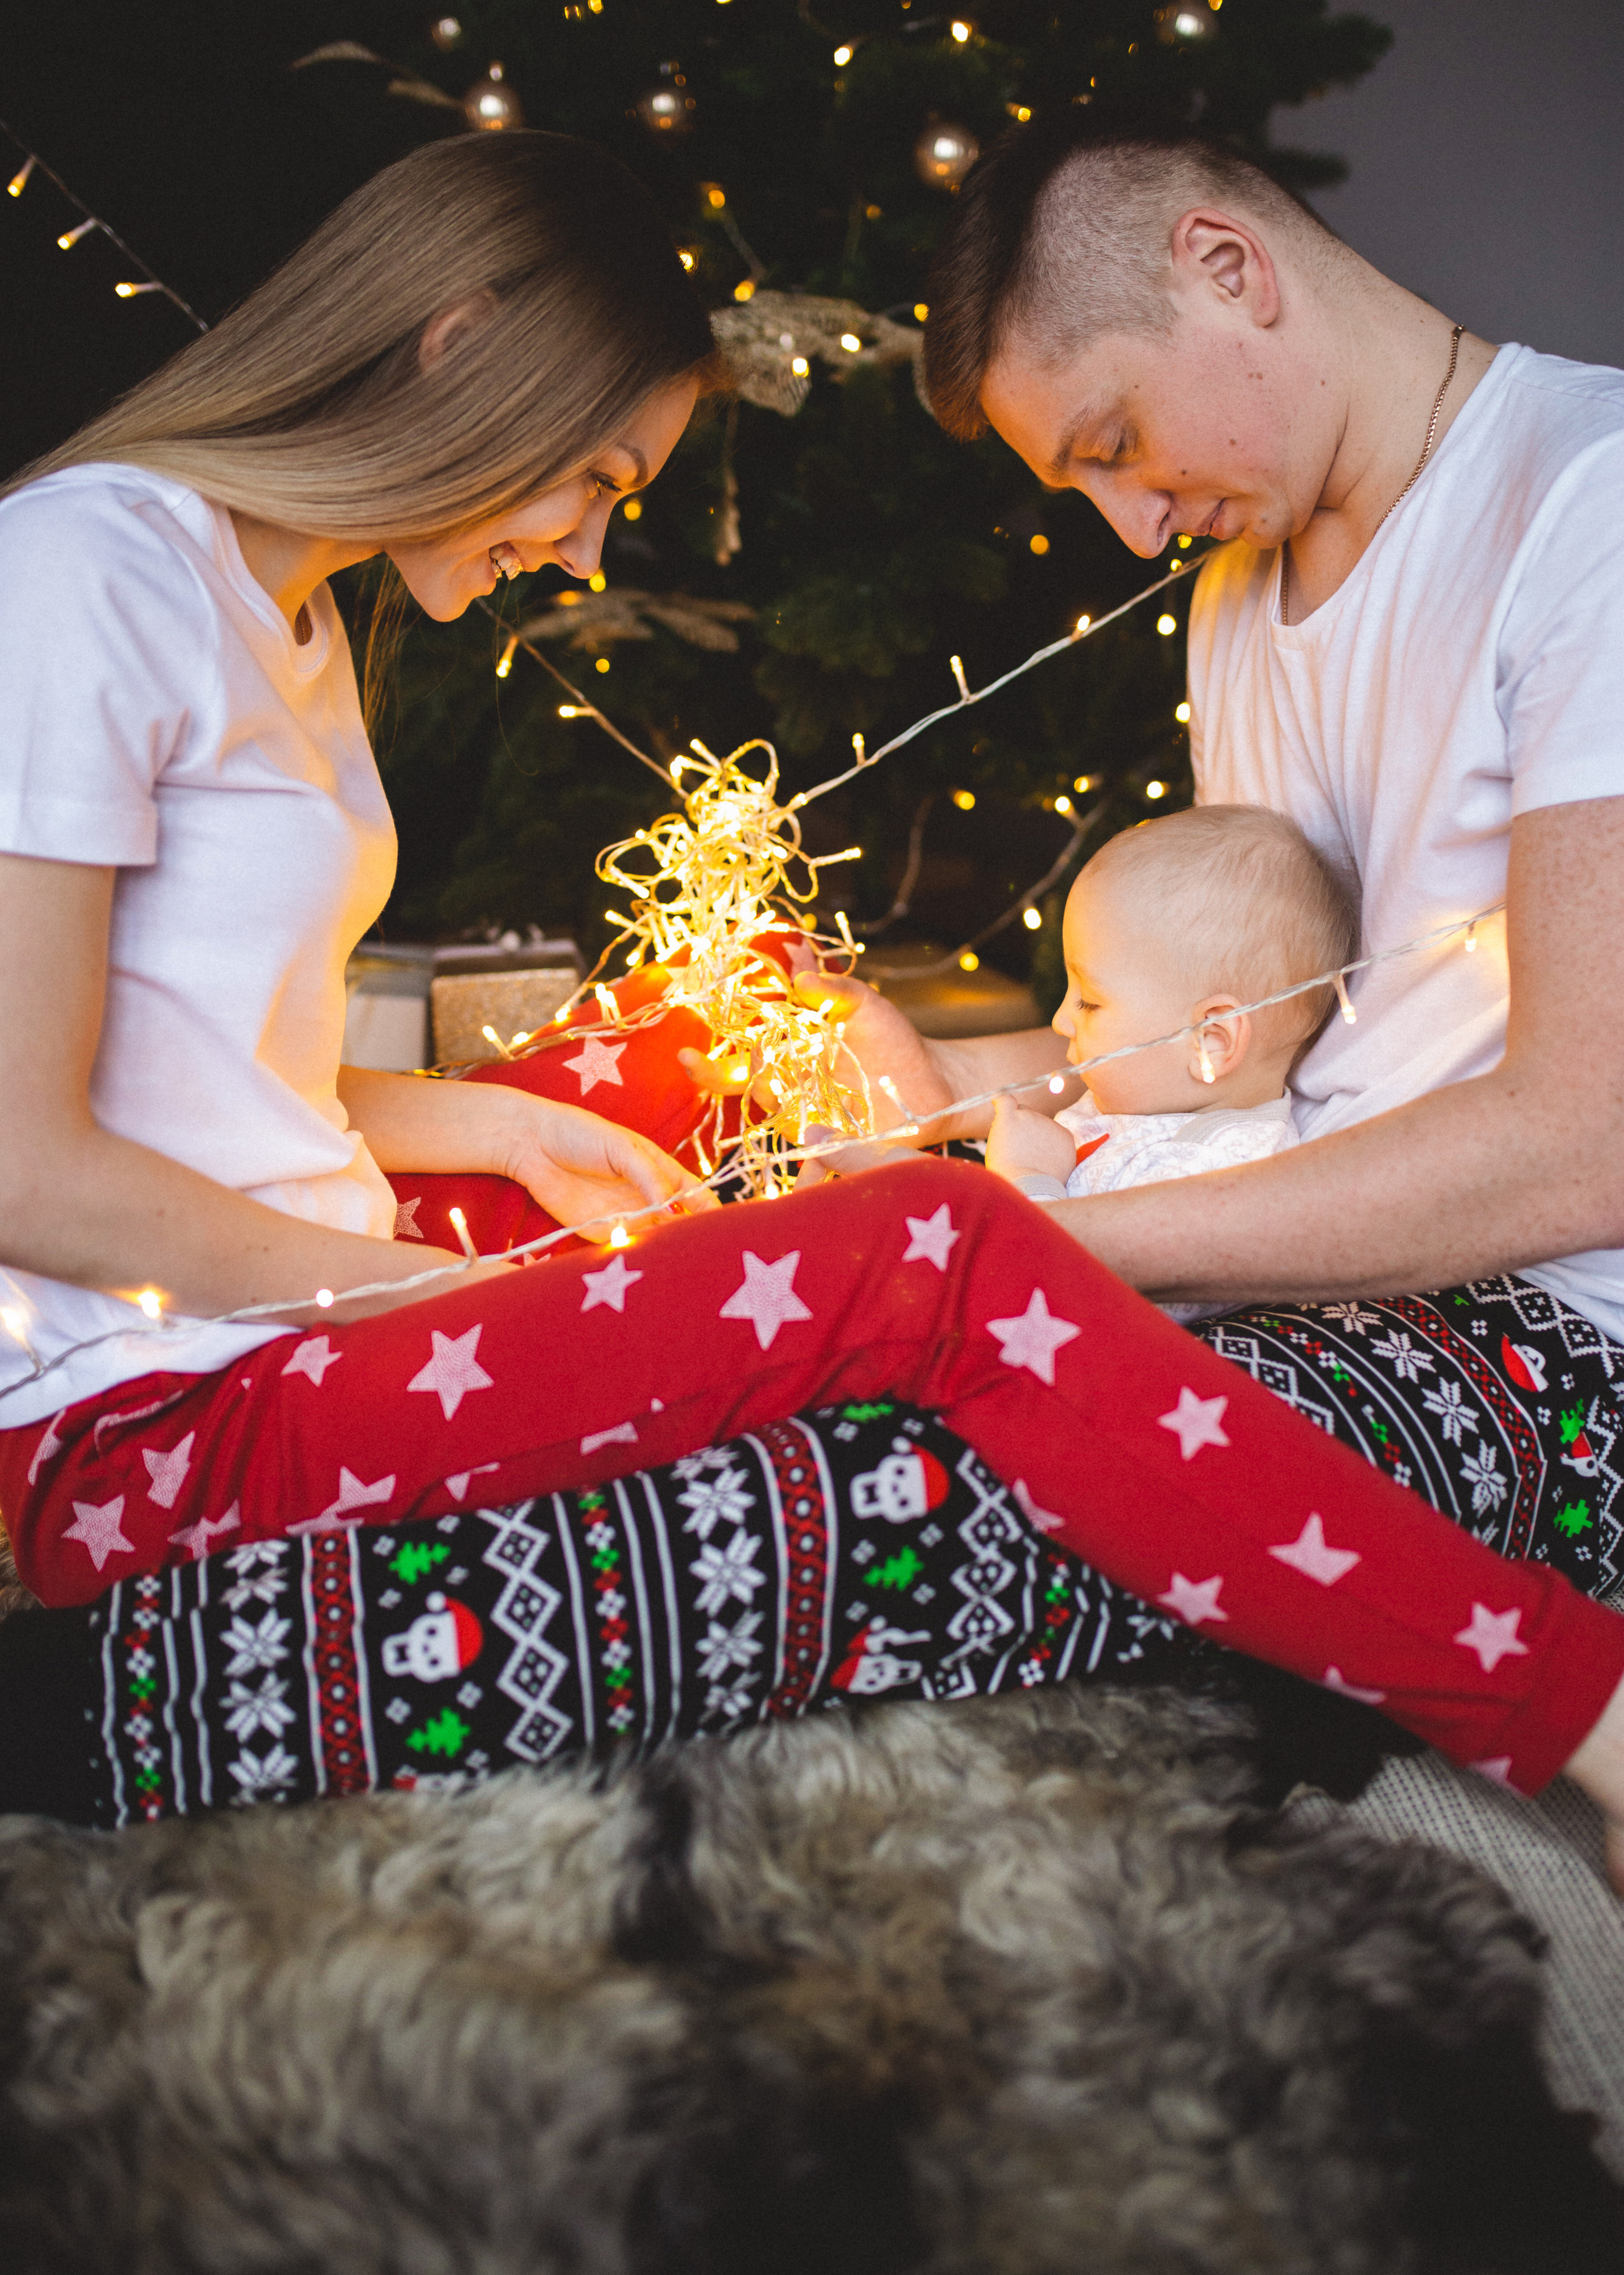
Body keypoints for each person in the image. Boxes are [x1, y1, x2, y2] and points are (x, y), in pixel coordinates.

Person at [3, 129, 1624, 1860]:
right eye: (604, 482)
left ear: (1233, 268)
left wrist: (503, 1120)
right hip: (159, 1388)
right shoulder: (102, 574)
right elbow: (33, 1161)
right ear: (461, 351)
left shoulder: (292, 622)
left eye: (1114, 448)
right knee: (925, 1246)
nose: (1136, 531)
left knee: (769, 1100)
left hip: (1519, 1328)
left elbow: (1558, 1137)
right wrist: (416, 1295)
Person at [983, 803, 1351, 1218]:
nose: (1060, 1020)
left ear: (1209, 1042)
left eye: (1089, 1000)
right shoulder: (1140, 1100)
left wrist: (1027, 1177)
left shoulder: (1215, 1176)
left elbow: (1071, 1275)